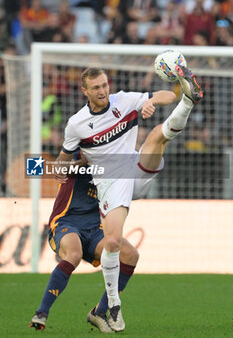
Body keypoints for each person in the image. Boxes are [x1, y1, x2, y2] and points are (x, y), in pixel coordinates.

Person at [55, 65, 203, 331]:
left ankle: (189, 101)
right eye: (96, 87)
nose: (102, 91)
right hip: (111, 182)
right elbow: (61, 164)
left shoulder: (123, 100)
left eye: (104, 85)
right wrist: (75, 166)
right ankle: (112, 307)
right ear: (84, 91)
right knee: (112, 241)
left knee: (158, 134)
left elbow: (165, 95)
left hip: (133, 169)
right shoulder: (76, 124)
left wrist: (149, 102)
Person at [29, 151, 139, 333]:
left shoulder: (113, 164)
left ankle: (100, 312)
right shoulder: (77, 152)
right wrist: (82, 162)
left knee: (130, 255)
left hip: (95, 229)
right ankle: (41, 312)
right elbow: (55, 167)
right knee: (74, 254)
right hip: (66, 222)